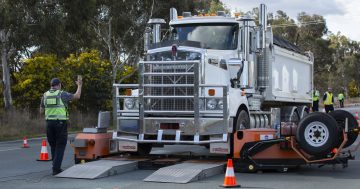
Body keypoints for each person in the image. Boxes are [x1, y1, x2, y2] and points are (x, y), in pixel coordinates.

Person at [40, 76, 82, 175]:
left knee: (53, 145)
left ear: (51, 85)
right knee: (60, 145)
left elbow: (41, 111)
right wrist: (79, 85)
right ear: (59, 85)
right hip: (60, 123)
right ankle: (56, 168)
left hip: (49, 123)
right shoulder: (62, 94)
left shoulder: (45, 95)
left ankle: (55, 166)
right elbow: (77, 96)